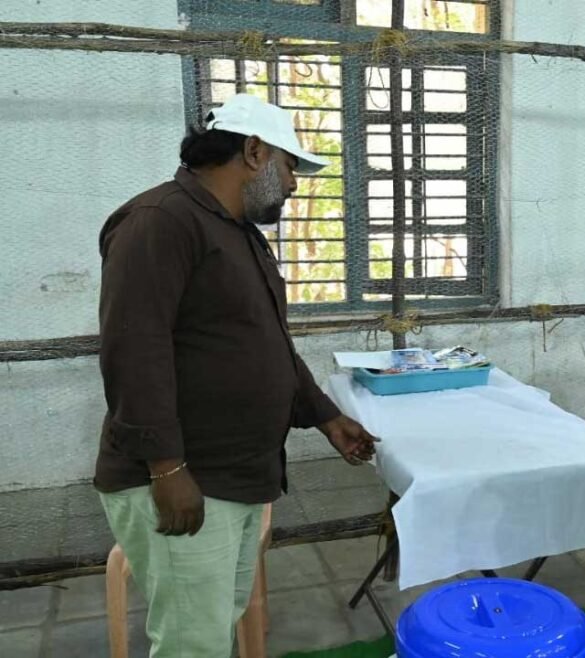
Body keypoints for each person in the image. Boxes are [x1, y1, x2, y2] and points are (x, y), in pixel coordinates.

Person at [95, 93, 380, 656]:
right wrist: (167, 468)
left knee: (216, 624)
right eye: (290, 164)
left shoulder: (238, 233)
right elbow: (134, 351)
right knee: (192, 642)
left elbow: (265, 345)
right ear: (253, 152)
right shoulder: (159, 222)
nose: (295, 184)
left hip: (239, 476)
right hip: (189, 479)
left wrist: (325, 417)